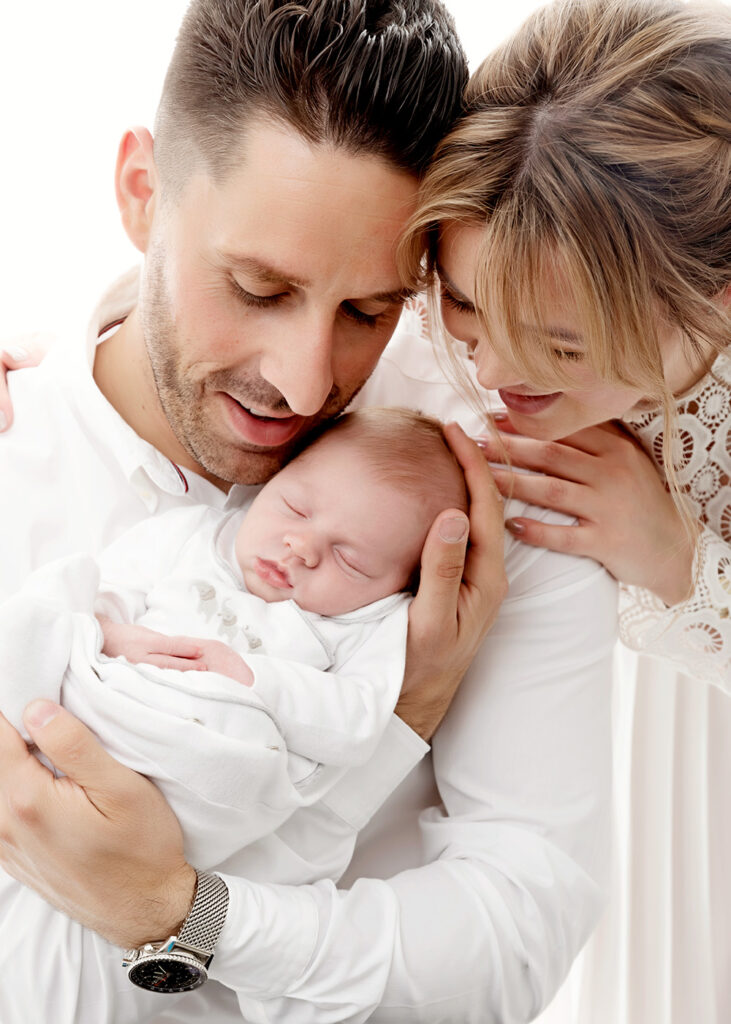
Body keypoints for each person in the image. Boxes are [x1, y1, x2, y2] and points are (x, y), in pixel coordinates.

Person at [0, 1, 617, 1021]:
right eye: (255, 287)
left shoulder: (490, 500)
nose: (300, 380)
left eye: (368, 311)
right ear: (141, 195)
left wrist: (186, 912)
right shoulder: (22, 466)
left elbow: (515, 936)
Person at [398, 0, 731, 1020]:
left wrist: (680, 565)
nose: (489, 366)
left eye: (558, 344)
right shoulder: (449, 314)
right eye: (460, 302)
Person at [0, 407, 469, 1024]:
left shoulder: (364, 628)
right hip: (91, 714)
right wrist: (114, 636)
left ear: (396, 590)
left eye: (351, 561)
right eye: (295, 509)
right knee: (45, 607)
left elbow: (355, 724)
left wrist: (251, 677)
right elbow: (101, 598)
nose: (300, 548)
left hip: (197, 785)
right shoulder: (190, 536)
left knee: (68, 974)